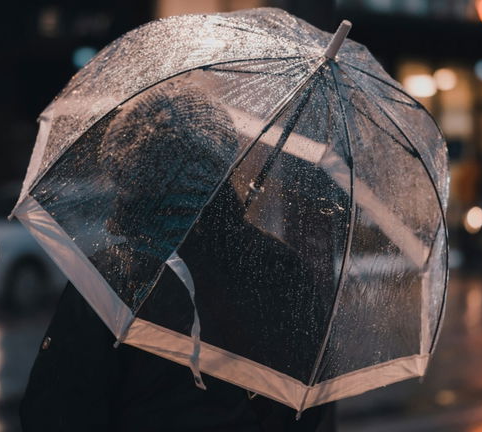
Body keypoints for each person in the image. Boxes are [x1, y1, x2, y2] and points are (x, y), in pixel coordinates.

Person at [20, 79, 333, 431]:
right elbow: (313, 412)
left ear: (127, 170)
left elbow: (54, 413)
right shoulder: (282, 269)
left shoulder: (112, 282)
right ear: (223, 158)